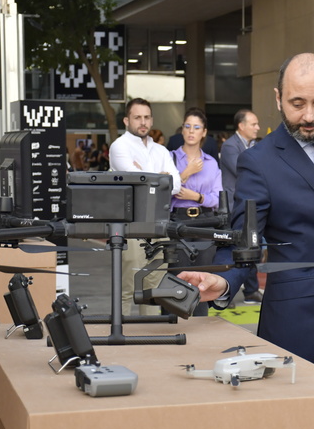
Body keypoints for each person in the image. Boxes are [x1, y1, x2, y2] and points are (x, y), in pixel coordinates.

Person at [177, 53, 314, 394]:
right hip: (299, 329)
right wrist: (225, 281)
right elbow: (243, 238)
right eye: (297, 103)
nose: (309, 116)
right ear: (278, 98)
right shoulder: (258, 162)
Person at [110, 98, 182, 316]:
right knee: (128, 286)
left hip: (159, 225)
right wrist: (159, 178)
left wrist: (148, 177)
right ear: (126, 120)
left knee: (154, 288)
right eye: (137, 117)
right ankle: (120, 338)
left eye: (147, 117)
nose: (143, 122)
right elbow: (138, 182)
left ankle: (148, 338)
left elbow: (176, 184)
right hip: (131, 226)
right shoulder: (119, 147)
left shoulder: (160, 150)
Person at [169, 107, 223, 316]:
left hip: (205, 222)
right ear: (182, 130)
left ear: (203, 132)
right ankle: (174, 329)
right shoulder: (170, 158)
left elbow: (217, 200)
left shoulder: (211, 163)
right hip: (178, 222)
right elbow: (163, 193)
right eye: (187, 126)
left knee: (202, 281)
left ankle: (200, 328)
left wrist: (197, 197)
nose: (191, 131)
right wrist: (185, 173)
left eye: (196, 127)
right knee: (177, 278)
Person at [219, 109, 262, 304]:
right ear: (241, 126)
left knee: (251, 245)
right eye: (253, 124)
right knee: (241, 246)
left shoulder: (252, 145)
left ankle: (250, 289)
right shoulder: (230, 146)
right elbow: (243, 171)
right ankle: (245, 289)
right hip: (234, 206)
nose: (257, 128)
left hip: (250, 205)